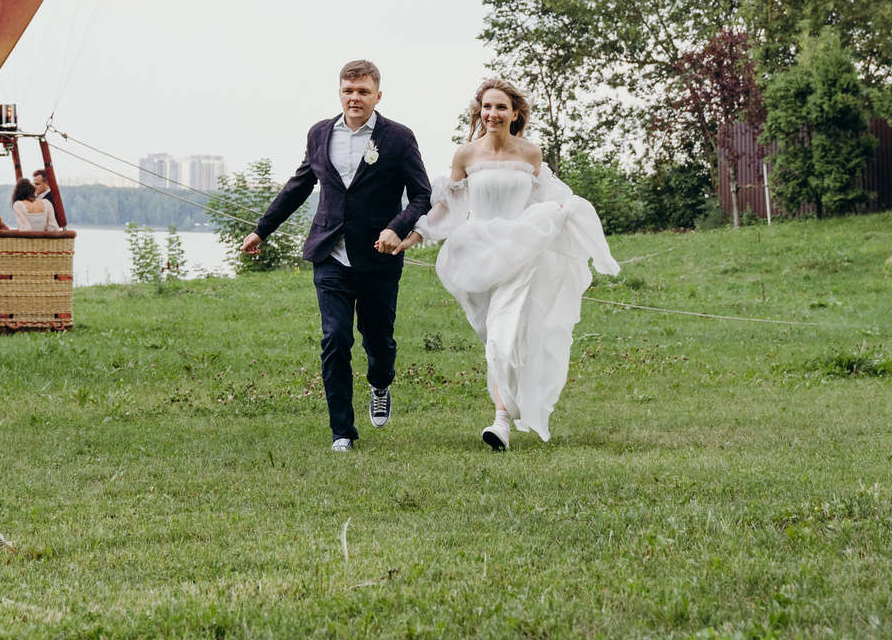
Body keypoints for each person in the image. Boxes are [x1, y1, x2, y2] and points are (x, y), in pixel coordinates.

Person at [410, 77, 618, 449]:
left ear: (515, 113)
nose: (493, 114)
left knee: (508, 337)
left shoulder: (530, 154)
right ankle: (508, 409)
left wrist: (565, 211)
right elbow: (448, 207)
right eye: (487, 107)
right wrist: (415, 235)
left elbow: (550, 198)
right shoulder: (466, 155)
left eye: (501, 107)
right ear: (479, 112)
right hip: (478, 256)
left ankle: (501, 422)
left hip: (520, 255)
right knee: (496, 337)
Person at [242, 59, 432, 452]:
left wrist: (396, 228)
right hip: (331, 255)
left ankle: (380, 384)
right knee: (335, 338)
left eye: (363, 91)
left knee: (379, 342)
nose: (355, 98)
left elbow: (422, 195)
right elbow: (298, 186)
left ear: (378, 95)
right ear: (340, 93)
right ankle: (342, 432)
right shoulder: (319, 134)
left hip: (379, 257)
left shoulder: (398, 138)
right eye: (348, 90)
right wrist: (261, 230)